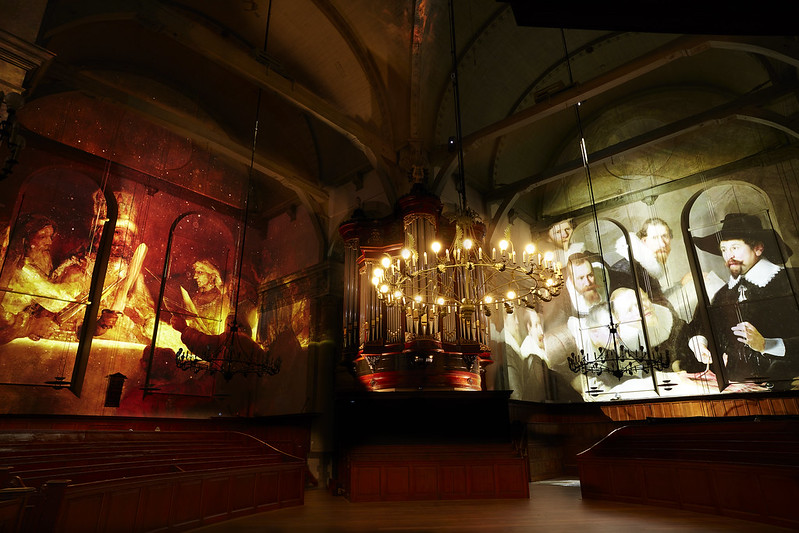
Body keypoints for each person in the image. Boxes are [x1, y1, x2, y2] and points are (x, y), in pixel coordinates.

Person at [688, 213, 799, 383]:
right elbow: (702, 327)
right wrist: (701, 345)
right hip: (738, 385)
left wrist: (767, 345)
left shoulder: (792, 280)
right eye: (724, 249)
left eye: (735, 248)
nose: (728, 256)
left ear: (758, 248)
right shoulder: (723, 294)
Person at [0, 214, 83, 342]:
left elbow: (46, 284)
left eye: (50, 237)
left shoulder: (33, 262)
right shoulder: (23, 270)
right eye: (42, 237)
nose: (49, 242)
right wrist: (79, 281)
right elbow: (56, 301)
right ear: (25, 239)